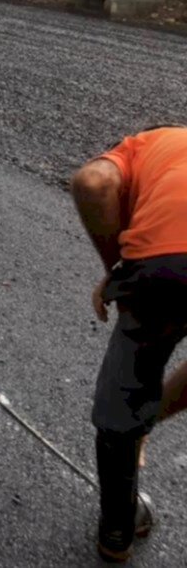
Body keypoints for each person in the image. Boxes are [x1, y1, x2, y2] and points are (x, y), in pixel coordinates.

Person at [71, 127, 187, 563]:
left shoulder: (141, 146)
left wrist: (118, 271)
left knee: (124, 394)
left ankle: (118, 528)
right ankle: (147, 422)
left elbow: (93, 182)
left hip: (163, 265)